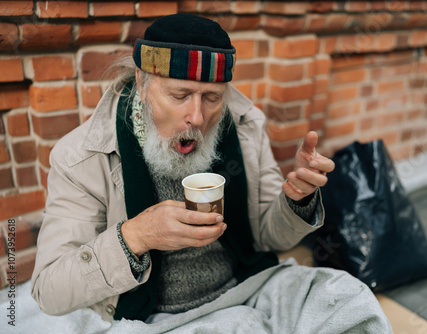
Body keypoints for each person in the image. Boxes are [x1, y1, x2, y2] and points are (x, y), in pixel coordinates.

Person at [31, 13, 392, 333]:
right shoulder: (81, 156)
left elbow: (271, 238)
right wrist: (135, 237)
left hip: (248, 287)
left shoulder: (245, 126)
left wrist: (295, 202)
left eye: (212, 98)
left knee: (350, 300)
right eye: (180, 95)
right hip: (152, 318)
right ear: (142, 83)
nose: (198, 118)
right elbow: (49, 290)